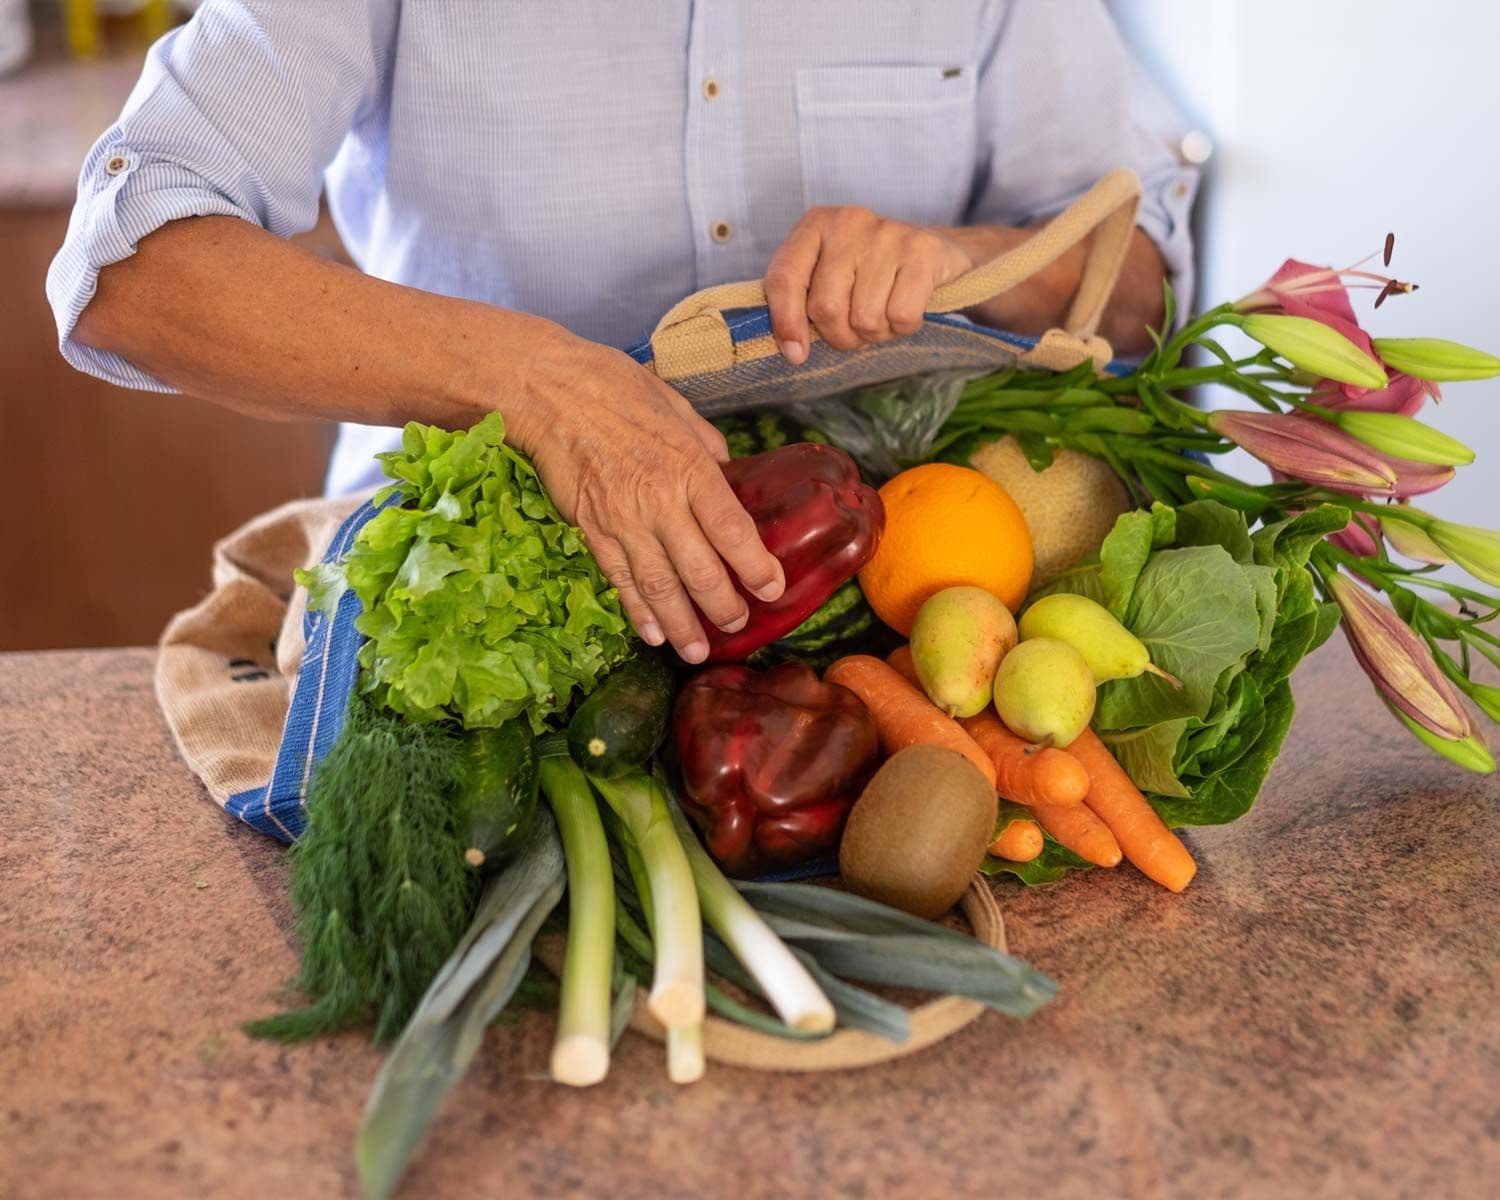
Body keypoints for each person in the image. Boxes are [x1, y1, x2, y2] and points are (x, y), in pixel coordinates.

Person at [48, 1, 1196, 664]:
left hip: (894, 603)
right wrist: (537, 385)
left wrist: (962, 259)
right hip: (466, 596)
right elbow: (129, 268)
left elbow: (1139, 283)